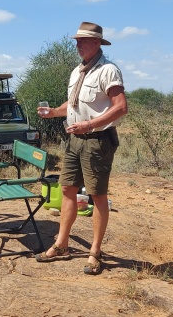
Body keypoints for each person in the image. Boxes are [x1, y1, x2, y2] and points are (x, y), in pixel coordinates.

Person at [34, 21, 128, 275]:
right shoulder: (78, 71)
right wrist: (54, 112)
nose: (78, 45)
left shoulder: (108, 70)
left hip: (97, 140)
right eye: (76, 41)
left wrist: (90, 125)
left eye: (83, 41)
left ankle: (95, 252)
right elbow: (74, 104)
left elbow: (120, 106)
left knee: (97, 195)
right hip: (75, 139)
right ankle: (62, 244)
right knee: (67, 189)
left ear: (97, 43)